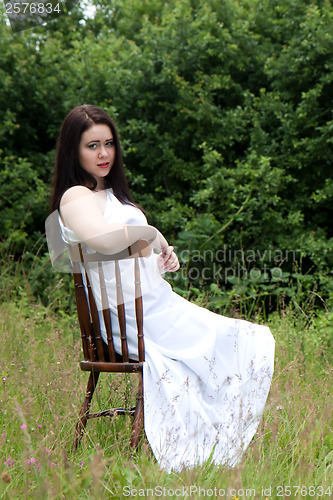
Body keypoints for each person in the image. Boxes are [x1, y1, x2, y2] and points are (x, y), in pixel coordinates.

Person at [48, 104, 275, 472]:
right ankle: (208, 451)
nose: (104, 154)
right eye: (92, 146)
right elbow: (104, 242)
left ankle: (220, 445)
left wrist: (161, 255)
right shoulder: (76, 196)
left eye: (108, 143)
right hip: (127, 318)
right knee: (241, 341)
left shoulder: (113, 194)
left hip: (153, 304)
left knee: (246, 339)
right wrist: (151, 233)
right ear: (73, 149)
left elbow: (128, 250)